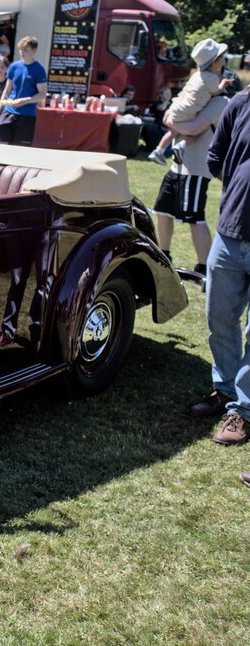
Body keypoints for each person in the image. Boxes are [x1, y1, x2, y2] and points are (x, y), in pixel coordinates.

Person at [195, 86, 250, 455]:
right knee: (219, 318)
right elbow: (217, 159)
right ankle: (225, 390)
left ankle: (243, 411)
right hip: (229, 235)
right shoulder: (240, 102)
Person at [152, 95, 228, 282]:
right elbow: (167, 117)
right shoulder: (193, 97)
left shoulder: (220, 101)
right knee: (162, 212)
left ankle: (204, 267)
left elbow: (192, 128)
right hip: (176, 167)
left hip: (196, 169)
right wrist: (175, 121)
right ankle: (164, 256)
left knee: (194, 218)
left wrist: (175, 123)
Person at [149, 38, 231, 166]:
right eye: (222, 57)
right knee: (196, 132)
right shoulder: (212, 78)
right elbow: (215, 92)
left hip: (177, 107)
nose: (224, 59)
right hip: (189, 111)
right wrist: (223, 85)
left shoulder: (196, 75)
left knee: (173, 131)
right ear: (215, 62)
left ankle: (158, 150)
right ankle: (182, 146)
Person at [0, 36, 47, 146]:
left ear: (34, 50)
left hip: (26, 115)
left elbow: (42, 94)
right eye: (20, 49)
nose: (22, 52)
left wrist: (25, 100)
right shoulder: (14, 66)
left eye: (25, 49)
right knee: (0, 144)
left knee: (20, 149)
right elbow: (7, 90)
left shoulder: (39, 69)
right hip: (8, 111)